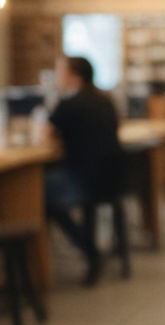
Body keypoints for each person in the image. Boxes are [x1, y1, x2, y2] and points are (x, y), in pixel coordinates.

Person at [45, 56, 123, 285]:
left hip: (83, 181)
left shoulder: (68, 104)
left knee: (37, 197)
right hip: (113, 179)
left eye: (60, 72)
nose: (58, 77)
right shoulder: (106, 101)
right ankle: (89, 250)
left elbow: (46, 136)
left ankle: (88, 251)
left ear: (74, 76)